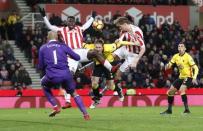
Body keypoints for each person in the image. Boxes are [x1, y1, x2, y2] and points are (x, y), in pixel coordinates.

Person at [39, 7, 119, 108]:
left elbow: (87, 24)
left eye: (72, 21)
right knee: (69, 76)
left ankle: (111, 68)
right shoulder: (62, 30)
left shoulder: (79, 28)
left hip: (80, 52)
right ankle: (68, 101)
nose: (71, 23)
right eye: (69, 21)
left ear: (75, 22)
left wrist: (92, 17)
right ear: (66, 22)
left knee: (95, 53)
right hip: (70, 54)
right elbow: (50, 26)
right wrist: (44, 16)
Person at [38, 31, 90, 120]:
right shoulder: (63, 46)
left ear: (47, 38)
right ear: (57, 38)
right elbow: (77, 57)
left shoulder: (43, 48)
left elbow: (41, 66)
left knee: (44, 85)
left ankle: (55, 106)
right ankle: (85, 114)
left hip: (52, 75)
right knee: (74, 93)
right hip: (66, 74)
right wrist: (67, 56)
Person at [160, 42, 199, 115]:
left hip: (188, 77)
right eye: (179, 46)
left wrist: (194, 77)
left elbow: (196, 68)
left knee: (182, 89)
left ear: (185, 49)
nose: (180, 48)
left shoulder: (188, 57)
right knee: (170, 92)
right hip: (181, 77)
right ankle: (169, 110)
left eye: (182, 46)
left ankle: (187, 110)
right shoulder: (175, 56)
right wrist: (166, 66)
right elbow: (170, 65)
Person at [84, 39, 124, 109]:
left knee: (111, 87)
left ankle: (118, 90)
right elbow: (82, 44)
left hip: (108, 65)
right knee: (94, 84)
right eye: (96, 47)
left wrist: (119, 40)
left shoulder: (110, 47)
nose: (98, 49)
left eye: (99, 47)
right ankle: (97, 100)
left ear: (103, 47)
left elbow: (118, 44)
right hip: (98, 65)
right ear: (94, 47)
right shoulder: (90, 47)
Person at [112, 17, 146, 95]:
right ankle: (113, 67)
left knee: (118, 73)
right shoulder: (123, 30)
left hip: (133, 55)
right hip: (125, 48)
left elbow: (143, 48)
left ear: (125, 24)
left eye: (120, 26)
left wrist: (135, 61)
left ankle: (117, 90)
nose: (119, 28)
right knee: (111, 56)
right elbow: (120, 41)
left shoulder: (136, 32)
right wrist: (118, 42)